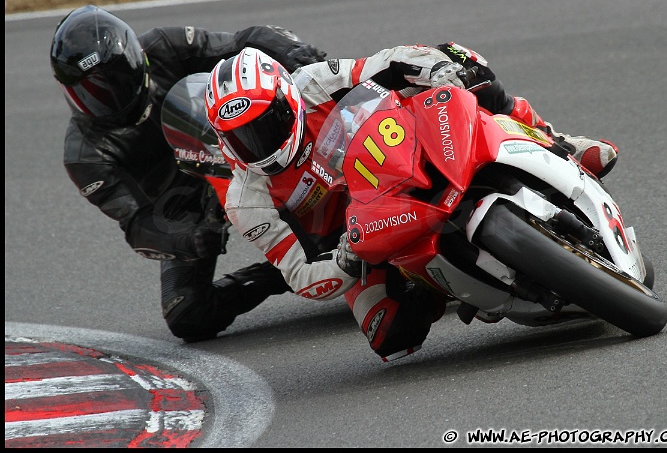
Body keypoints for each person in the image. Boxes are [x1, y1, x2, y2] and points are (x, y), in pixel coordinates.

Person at [204, 43, 619, 361]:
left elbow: (388, 60)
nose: (260, 144)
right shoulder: (246, 201)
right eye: (244, 137)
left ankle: (557, 140)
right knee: (390, 336)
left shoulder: (313, 82)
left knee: (465, 63)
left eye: (267, 124)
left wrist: (436, 69)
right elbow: (300, 276)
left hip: (398, 152)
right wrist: (345, 259)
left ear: (287, 97)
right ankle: (439, 282)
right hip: (361, 236)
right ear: (224, 141)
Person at [50, 5, 329, 342]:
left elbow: (244, 45)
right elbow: (138, 225)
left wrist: (299, 56)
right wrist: (185, 239)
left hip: (233, 146)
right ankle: (289, 272)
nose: (108, 94)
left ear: (135, 57)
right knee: (187, 313)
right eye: (89, 90)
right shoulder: (85, 155)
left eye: (115, 77)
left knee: (294, 91)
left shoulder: (165, 46)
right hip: (185, 204)